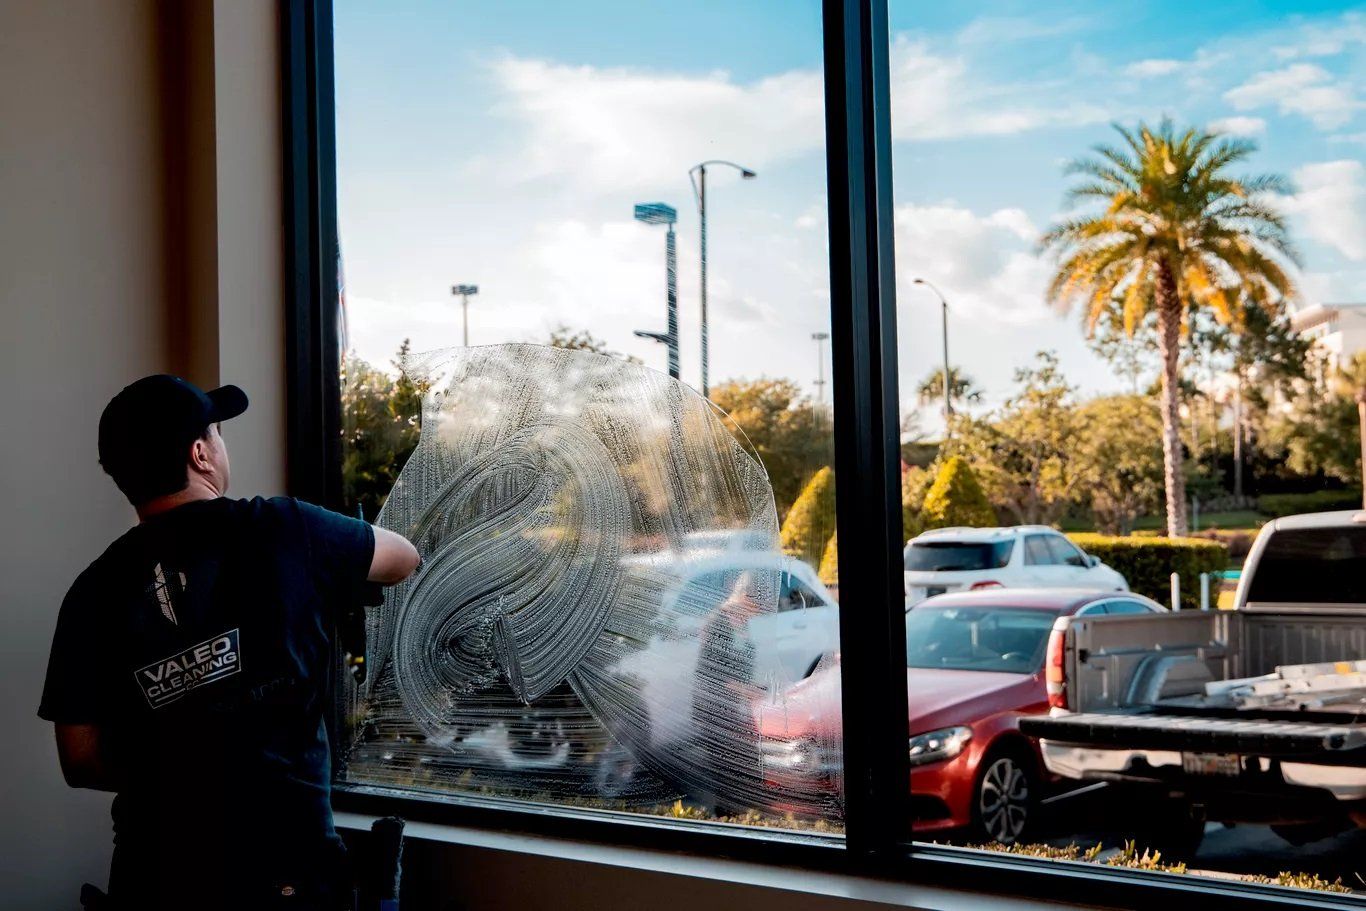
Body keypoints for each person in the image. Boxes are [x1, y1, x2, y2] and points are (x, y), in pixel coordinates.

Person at [38, 375, 420, 910]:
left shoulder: (91, 591)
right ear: (200, 453)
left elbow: (79, 761)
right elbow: (403, 559)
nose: (220, 446)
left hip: (154, 876)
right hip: (285, 870)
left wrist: (185, 763)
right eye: (216, 433)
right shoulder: (281, 528)